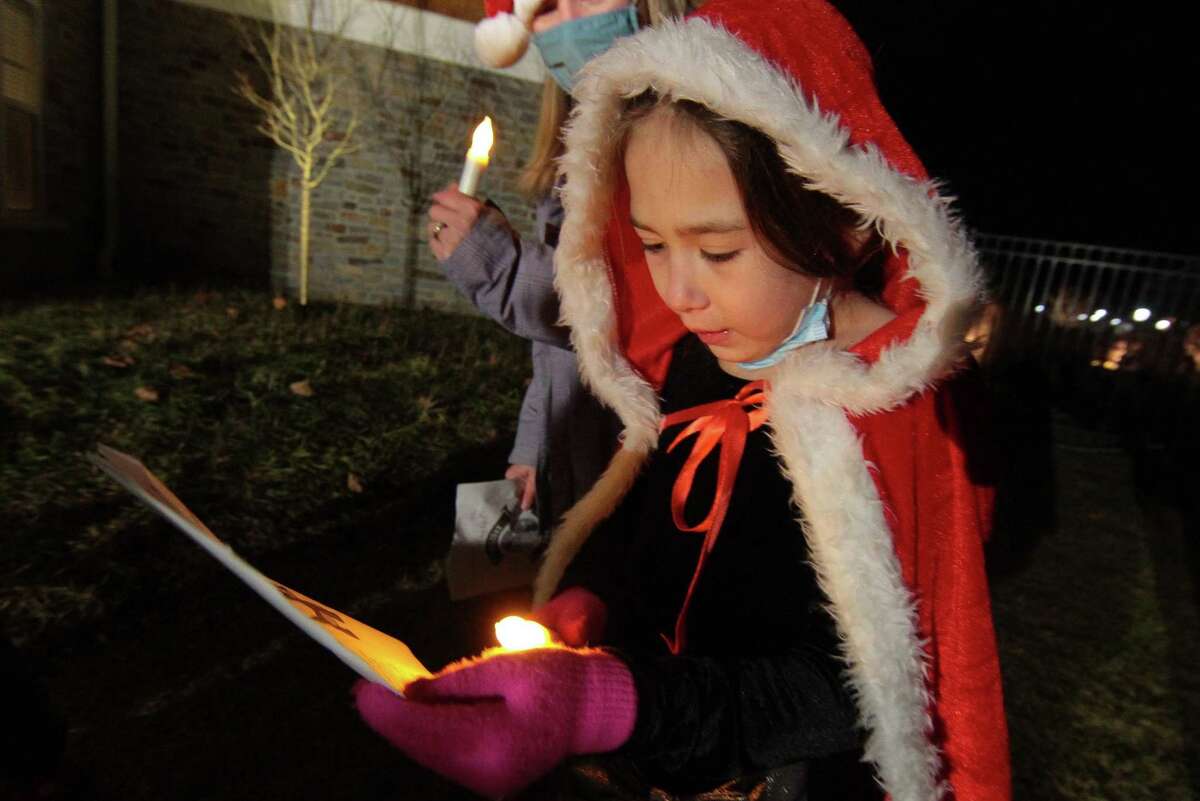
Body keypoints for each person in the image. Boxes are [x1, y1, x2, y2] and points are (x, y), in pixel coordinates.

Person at [359, 1, 1011, 799]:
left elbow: (851, 689)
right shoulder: (711, 360)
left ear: (843, 222)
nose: (678, 291)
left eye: (717, 249)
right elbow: (670, 533)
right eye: (653, 244)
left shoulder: (899, 412)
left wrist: (615, 705)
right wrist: (600, 598)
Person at [426, 0, 693, 529]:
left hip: (651, 467)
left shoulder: (686, 137)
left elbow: (635, 308)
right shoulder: (575, 158)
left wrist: (498, 267)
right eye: (545, 5)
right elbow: (557, 354)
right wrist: (534, 448)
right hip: (575, 456)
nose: (572, 18)